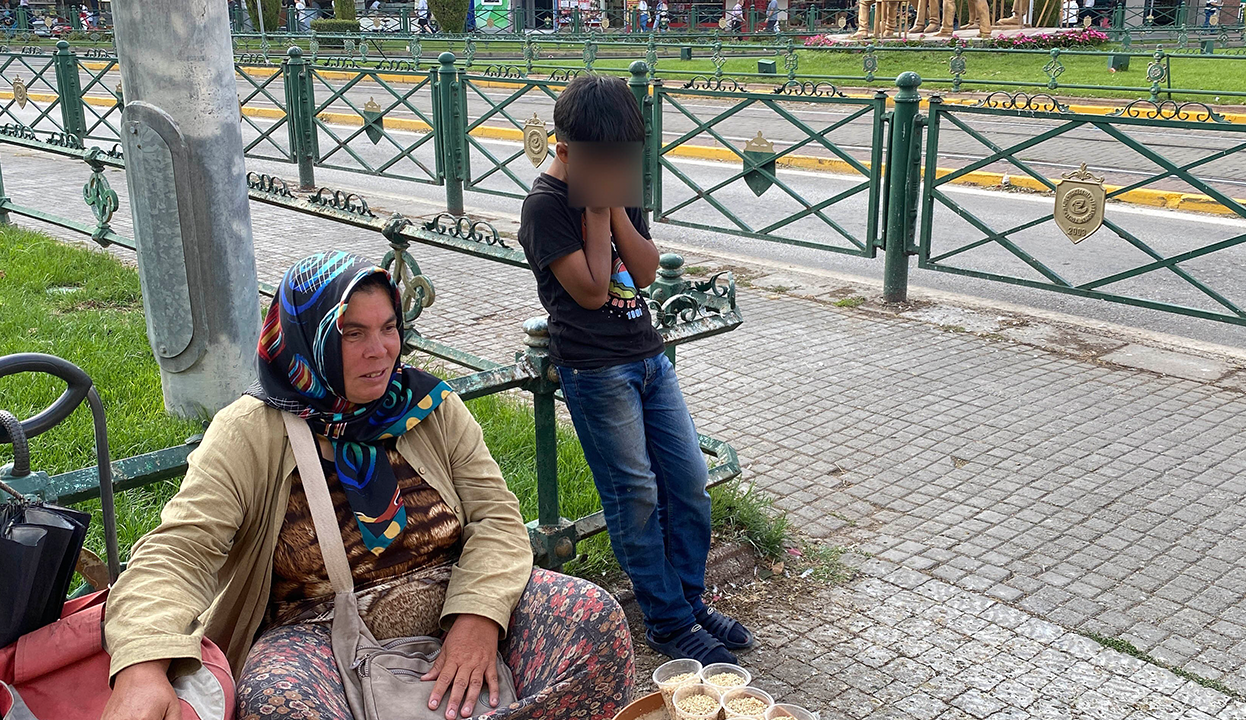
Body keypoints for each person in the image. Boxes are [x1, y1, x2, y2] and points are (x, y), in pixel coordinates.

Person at [99, 252, 635, 720]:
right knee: (276, 700)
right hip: (320, 633)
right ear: (310, 336)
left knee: (592, 620)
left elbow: (495, 517)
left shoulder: (427, 405)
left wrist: (478, 618)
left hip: (453, 598)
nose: (380, 351)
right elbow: (178, 551)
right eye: (352, 333)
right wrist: (141, 665)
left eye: (388, 327)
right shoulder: (250, 431)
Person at [516, 75, 754, 667]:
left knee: (688, 480)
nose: (618, 167)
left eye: (624, 158)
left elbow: (644, 271)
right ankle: (668, 623)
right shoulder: (545, 206)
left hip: (647, 357)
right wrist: (595, 209)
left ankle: (690, 603)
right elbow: (594, 291)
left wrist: (614, 202)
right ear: (564, 150)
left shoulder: (616, 183)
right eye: (605, 160)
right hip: (595, 370)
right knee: (636, 495)